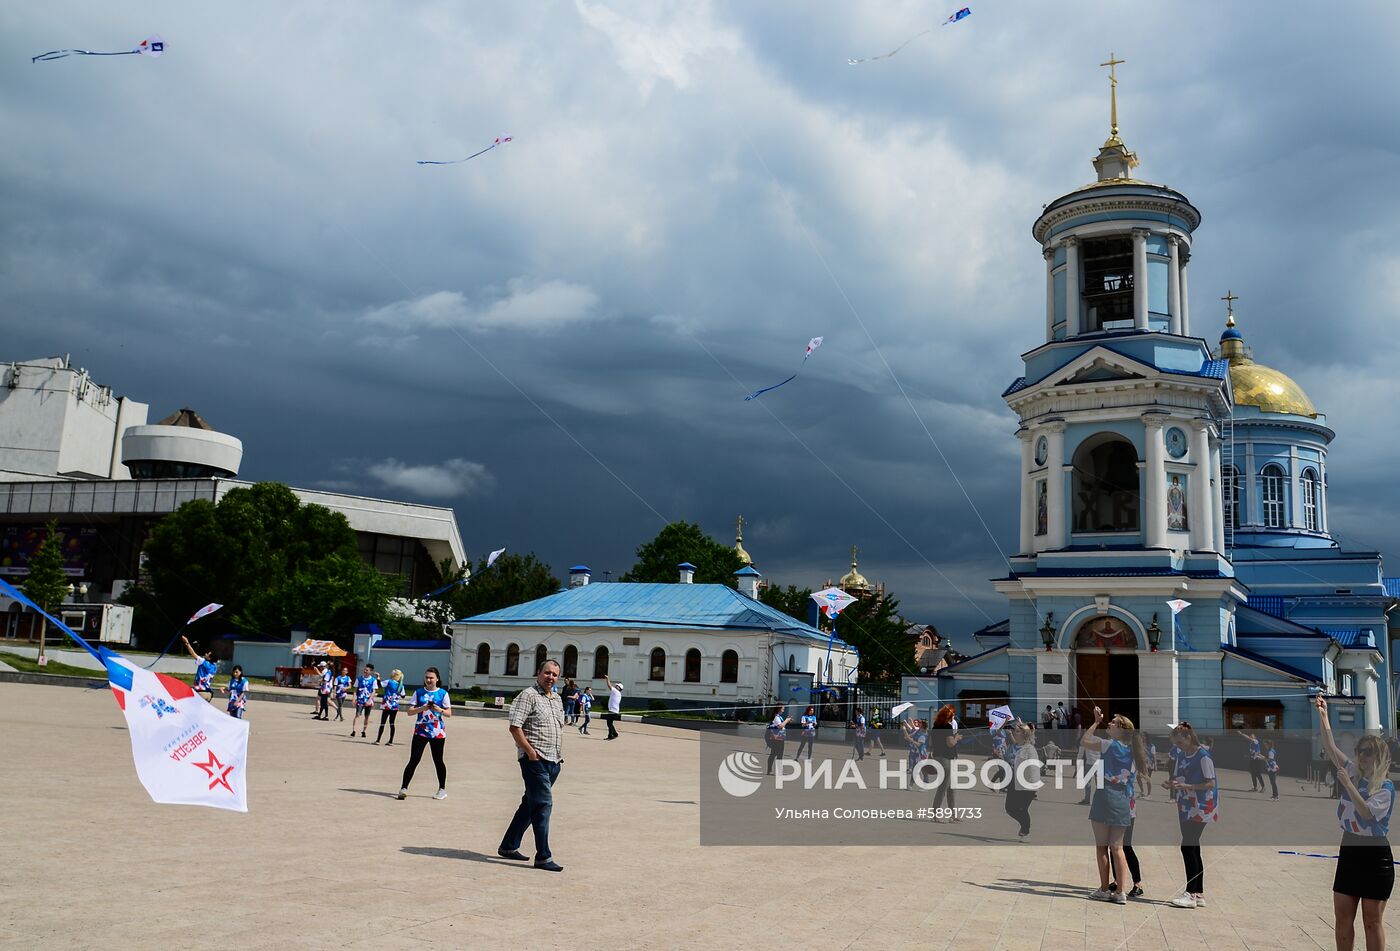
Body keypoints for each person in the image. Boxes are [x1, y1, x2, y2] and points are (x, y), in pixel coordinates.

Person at [1317, 696, 1393, 950]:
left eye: (1369, 753)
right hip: (1349, 848)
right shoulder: (1353, 771)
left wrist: (1348, 785)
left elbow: (1368, 814)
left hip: (1375, 855)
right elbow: (1329, 746)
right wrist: (1324, 715)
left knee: (1372, 920)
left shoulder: (1385, 787)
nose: (1362, 757)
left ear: (1380, 757)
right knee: (1342, 917)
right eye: (1361, 752)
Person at [498, 659, 566, 872]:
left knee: (530, 805)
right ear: (538, 673)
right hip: (534, 761)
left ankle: (509, 845)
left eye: (555, 674)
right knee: (543, 806)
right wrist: (530, 752)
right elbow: (515, 727)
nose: (550, 678)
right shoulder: (528, 695)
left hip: (553, 761)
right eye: (547, 673)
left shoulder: (556, 698)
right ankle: (543, 856)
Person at [1081, 706, 1135, 905]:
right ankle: (1121, 892)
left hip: (1104, 798)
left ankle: (1104, 889)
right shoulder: (1132, 749)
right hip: (1122, 799)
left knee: (1102, 847)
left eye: (1113, 722)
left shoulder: (1108, 745)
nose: (1109, 723)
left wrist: (1095, 722)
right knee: (1118, 848)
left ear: (1120, 729)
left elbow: (1084, 741)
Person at [1164, 721, 1218, 909]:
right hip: (1186, 805)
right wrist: (1172, 784)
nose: (1178, 747)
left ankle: (1191, 893)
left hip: (1201, 806)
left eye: (1179, 743)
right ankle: (1199, 892)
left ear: (1188, 738)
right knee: (1193, 847)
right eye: (1175, 744)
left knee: (1187, 846)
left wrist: (1188, 786)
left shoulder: (1203, 756)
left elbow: (1210, 783)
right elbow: (1180, 776)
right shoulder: (1182, 754)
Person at [397, 667, 451, 801]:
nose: (428, 680)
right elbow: (410, 711)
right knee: (414, 759)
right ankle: (403, 788)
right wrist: (422, 708)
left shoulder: (443, 693)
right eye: (426, 677)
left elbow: (449, 713)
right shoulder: (419, 692)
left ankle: (442, 789)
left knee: (438, 760)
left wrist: (439, 709)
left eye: (431, 678)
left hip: (437, 732)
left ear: (437, 679)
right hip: (420, 731)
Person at [1003, 721, 1040, 840]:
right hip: (1014, 782)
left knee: (1022, 809)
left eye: (1018, 731)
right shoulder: (1012, 747)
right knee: (1009, 809)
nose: (1015, 732)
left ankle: (1025, 829)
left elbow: (1034, 768)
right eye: (1015, 730)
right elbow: (1007, 760)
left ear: (1024, 735)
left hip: (1027, 784)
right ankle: (1025, 824)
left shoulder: (1030, 749)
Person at [929, 705, 961, 820]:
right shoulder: (947, 727)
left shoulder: (935, 726)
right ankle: (935, 814)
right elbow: (950, 743)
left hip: (939, 757)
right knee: (943, 787)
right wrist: (957, 738)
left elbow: (931, 744)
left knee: (952, 787)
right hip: (945, 759)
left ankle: (953, 814)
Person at [181, 636, 218, 702]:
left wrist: (186, 642)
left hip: (201, 692)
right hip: (208, 693)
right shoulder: (214, 666)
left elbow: (192, 653)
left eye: (207, 654)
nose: (205, 654)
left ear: (210, 658)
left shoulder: (204, 662)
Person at [374, 668, 403, 745]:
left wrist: (378, 678)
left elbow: (379, 685)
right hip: (395, 706)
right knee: (392, 723)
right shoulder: (400, 685)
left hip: (387, 704)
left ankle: (378, 740)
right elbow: (403, 695)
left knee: (383, 722)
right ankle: (391, 741)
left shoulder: (389, 681)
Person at [351, 664, 379, 737]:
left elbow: (373, 691)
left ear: (371, 671)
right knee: (357, 714)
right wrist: (354, 699)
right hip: (360, 699)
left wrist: (370, 700)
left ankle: (364, 731)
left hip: (368, 700)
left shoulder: (373, 680)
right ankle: (354, 730)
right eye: (365, 670)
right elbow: (355, 690)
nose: (365, 671)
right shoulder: (359, 679)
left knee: (367, 716)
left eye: (367, 670)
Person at [765, 705, 792, 775]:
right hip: (776, 738)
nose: (783, 710)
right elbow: (780, 726)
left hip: (780, 737)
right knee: (773, 754)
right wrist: (786, 720)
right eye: (783, 709)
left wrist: (787, 721)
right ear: (779, 709)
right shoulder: (776, 717)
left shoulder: (779, 717)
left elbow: (782, 725)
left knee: (780, 754)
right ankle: (769, 770)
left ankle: (778, 771)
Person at [602, 675, 623, 740]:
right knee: (610, 723)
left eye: (617, 686)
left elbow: (609, 686)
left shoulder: (615, 691)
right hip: (615, 711)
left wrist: (607, 678)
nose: (615, 686)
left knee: (609, 723)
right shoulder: (618, 693)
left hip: (612, 711)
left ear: (619, 688)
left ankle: (611, 735)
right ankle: (615, 734)